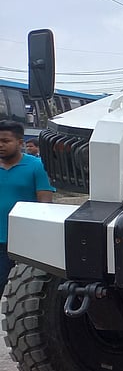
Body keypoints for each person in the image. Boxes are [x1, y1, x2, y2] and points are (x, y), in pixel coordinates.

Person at [0, 120, 54, 284]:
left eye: (6, 141)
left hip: (21, 241)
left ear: (20, 143)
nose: (1, 145)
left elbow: (44, 205)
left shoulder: (37, 167)